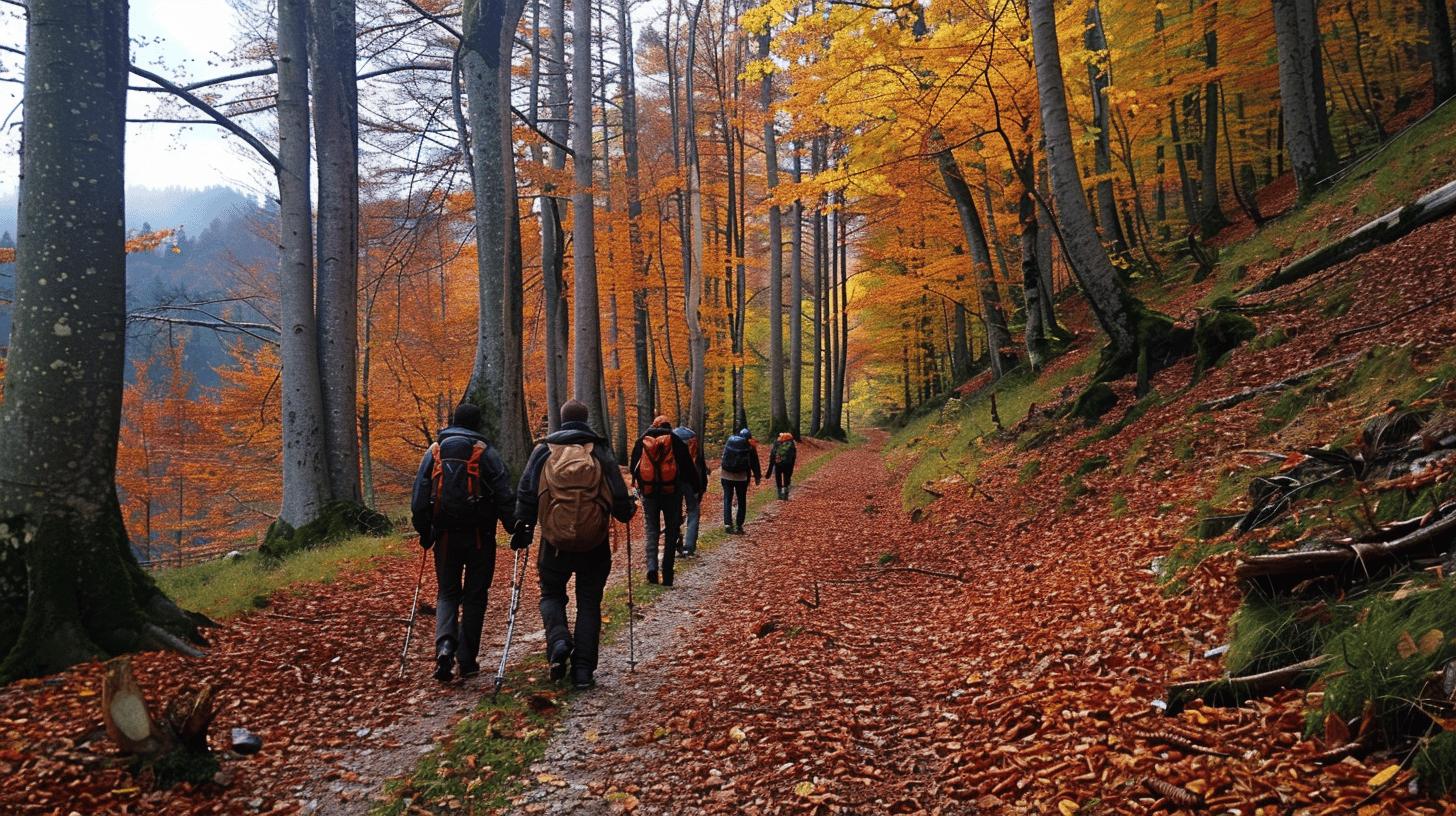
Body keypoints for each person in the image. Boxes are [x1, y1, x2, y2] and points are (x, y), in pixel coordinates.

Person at [515, 399, 636, 690]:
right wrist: (627, 510)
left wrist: (524, 526)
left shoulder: (544, 450)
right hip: (594, 544)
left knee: (551, 595)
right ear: (586, 419)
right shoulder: (600, 451)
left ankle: (558, 641)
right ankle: (583, 672)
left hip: (554, 543)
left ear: (561, 419)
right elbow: (619, 499)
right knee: (589, 603)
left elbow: (527, 491)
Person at [411, 403, 516, 683]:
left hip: (444, 536)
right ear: (477, 424)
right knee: (475, 596)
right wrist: (513, 526)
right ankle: (467, 660)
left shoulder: (434, 452)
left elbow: (420, 494)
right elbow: (504, 492)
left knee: (447, 593)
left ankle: (445, 645)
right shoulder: (484, 452)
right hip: (481, 536)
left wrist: (424, 530)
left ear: (453, 421)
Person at [628, 415, 699, 586]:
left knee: (651, 530)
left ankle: (652, 567)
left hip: (649, 493)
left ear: (654, 425)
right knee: (671, 531)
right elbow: (689, 469)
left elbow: (633, 468)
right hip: (672, 493)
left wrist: (643, 486)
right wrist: (695, 488)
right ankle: (667, 574)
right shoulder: (675, 441)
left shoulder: (642, 442)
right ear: (669, 427)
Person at [673, 424, 708, 557]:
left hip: (674, 483)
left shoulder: (670, 445)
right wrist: (702, 487)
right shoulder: (693, 446)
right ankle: (689, 547)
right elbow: (701, 469)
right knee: (693, 511)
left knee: (674, 513)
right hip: (690, 484)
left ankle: (675, 542)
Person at [719, 427, 761, 534]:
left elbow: (723, 458)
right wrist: (757, 476)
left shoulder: (730, 442)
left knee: (727, 499)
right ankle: (739, 525)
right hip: (741, 477)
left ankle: (728, 524)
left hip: (726, 475)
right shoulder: (750, 447)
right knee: (742, 501)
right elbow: (755, 463)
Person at [767, 432, 798, 500]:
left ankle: (779, 494)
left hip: (778, 464)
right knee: (786, 478)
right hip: (788, 465)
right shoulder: (791, 445)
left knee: (778, 478)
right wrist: (791, 469)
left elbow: (772, 455)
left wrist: (770, 469)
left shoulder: (777, 443)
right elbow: (793, 457)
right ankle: (786, 495)